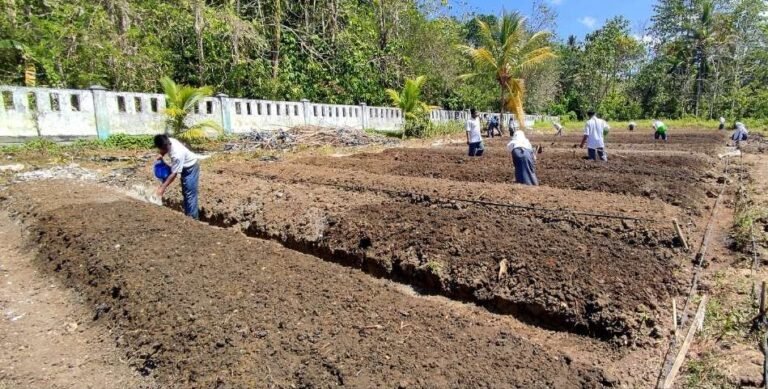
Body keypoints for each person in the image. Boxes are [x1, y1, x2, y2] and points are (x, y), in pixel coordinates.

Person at [154, 134, 201, 219]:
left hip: (191, 168)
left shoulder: (177, 154)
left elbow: (174, 174)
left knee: (190, 194)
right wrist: (161, 154)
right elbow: (164, 150)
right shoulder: (169, 140)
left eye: (161, 149)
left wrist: (162, 188)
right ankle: (188, 216)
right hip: (183, 166)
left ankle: (193, 220)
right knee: (186, 192)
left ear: (165, 146)